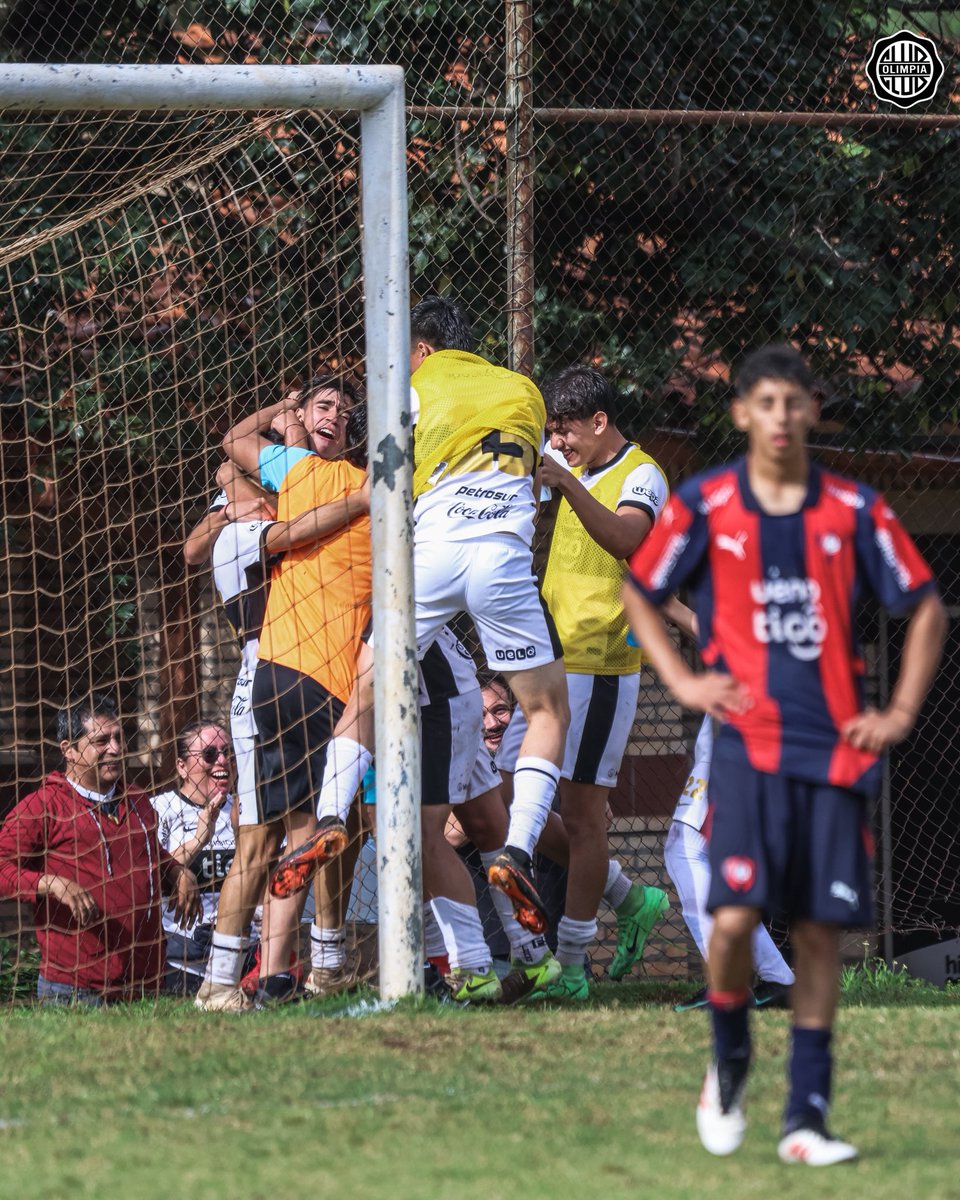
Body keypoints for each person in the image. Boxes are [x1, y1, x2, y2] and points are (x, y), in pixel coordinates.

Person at [623, 344, 947, 1165]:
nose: (779, 417)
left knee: (815, 932)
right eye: (763, 402)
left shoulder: (853, 508)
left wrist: (902, 709)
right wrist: (686, 684)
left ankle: (806, 1117)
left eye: (793, 403)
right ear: (743, 413)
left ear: (810, 411)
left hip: (833, 753)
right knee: (731, 918)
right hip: (744, 749)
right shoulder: (708, 503)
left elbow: (925, 606)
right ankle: (730, 1056)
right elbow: (642, 588)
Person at [496, 366, 674, 999]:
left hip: (600, 666)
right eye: (554, 433)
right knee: (505, 798)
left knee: (584, 816)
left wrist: (567, 481)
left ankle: (571, 964)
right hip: (547, 658)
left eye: (567, 432)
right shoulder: (574, 467)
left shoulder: (642, 471)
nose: (559, 443)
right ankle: (629, 898)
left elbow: (628, 537)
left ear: (600, 423)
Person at [212, 376, 372, 1005]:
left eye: (343, 410)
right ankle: (228, 980)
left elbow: (235, 445)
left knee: (322, 831)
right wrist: (287, 412)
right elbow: (233, 457)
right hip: (275, 676)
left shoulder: (315, 473)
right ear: (297, 417)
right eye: (320, 406)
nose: (331, 417)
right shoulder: (249, 517)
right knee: (264, 837)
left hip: (322, 683)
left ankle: (290, 973)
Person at [0, 693, 200, 1005]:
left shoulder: (137, 800)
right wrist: (50, 883)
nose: (116, 749)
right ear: (69, 749)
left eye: (119, 738)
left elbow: (147, 852)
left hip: (147, 985)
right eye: (101, 741)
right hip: (76, 990)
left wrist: (175, 870)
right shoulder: (42, 806)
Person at [665, 716, 794, 1012]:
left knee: (685, 848)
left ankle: (728, 986)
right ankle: (777, 981)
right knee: (702, 852)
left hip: (748, 712)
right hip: (742, 715)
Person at [150, 720, 240, 996]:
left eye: (227, 753)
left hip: (241, 952)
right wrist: (199, 839)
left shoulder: (245, 808)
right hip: (181, 957)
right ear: (182, 766)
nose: (221, 761)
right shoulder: (161, 809)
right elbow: (149, 869)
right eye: (209, 755)